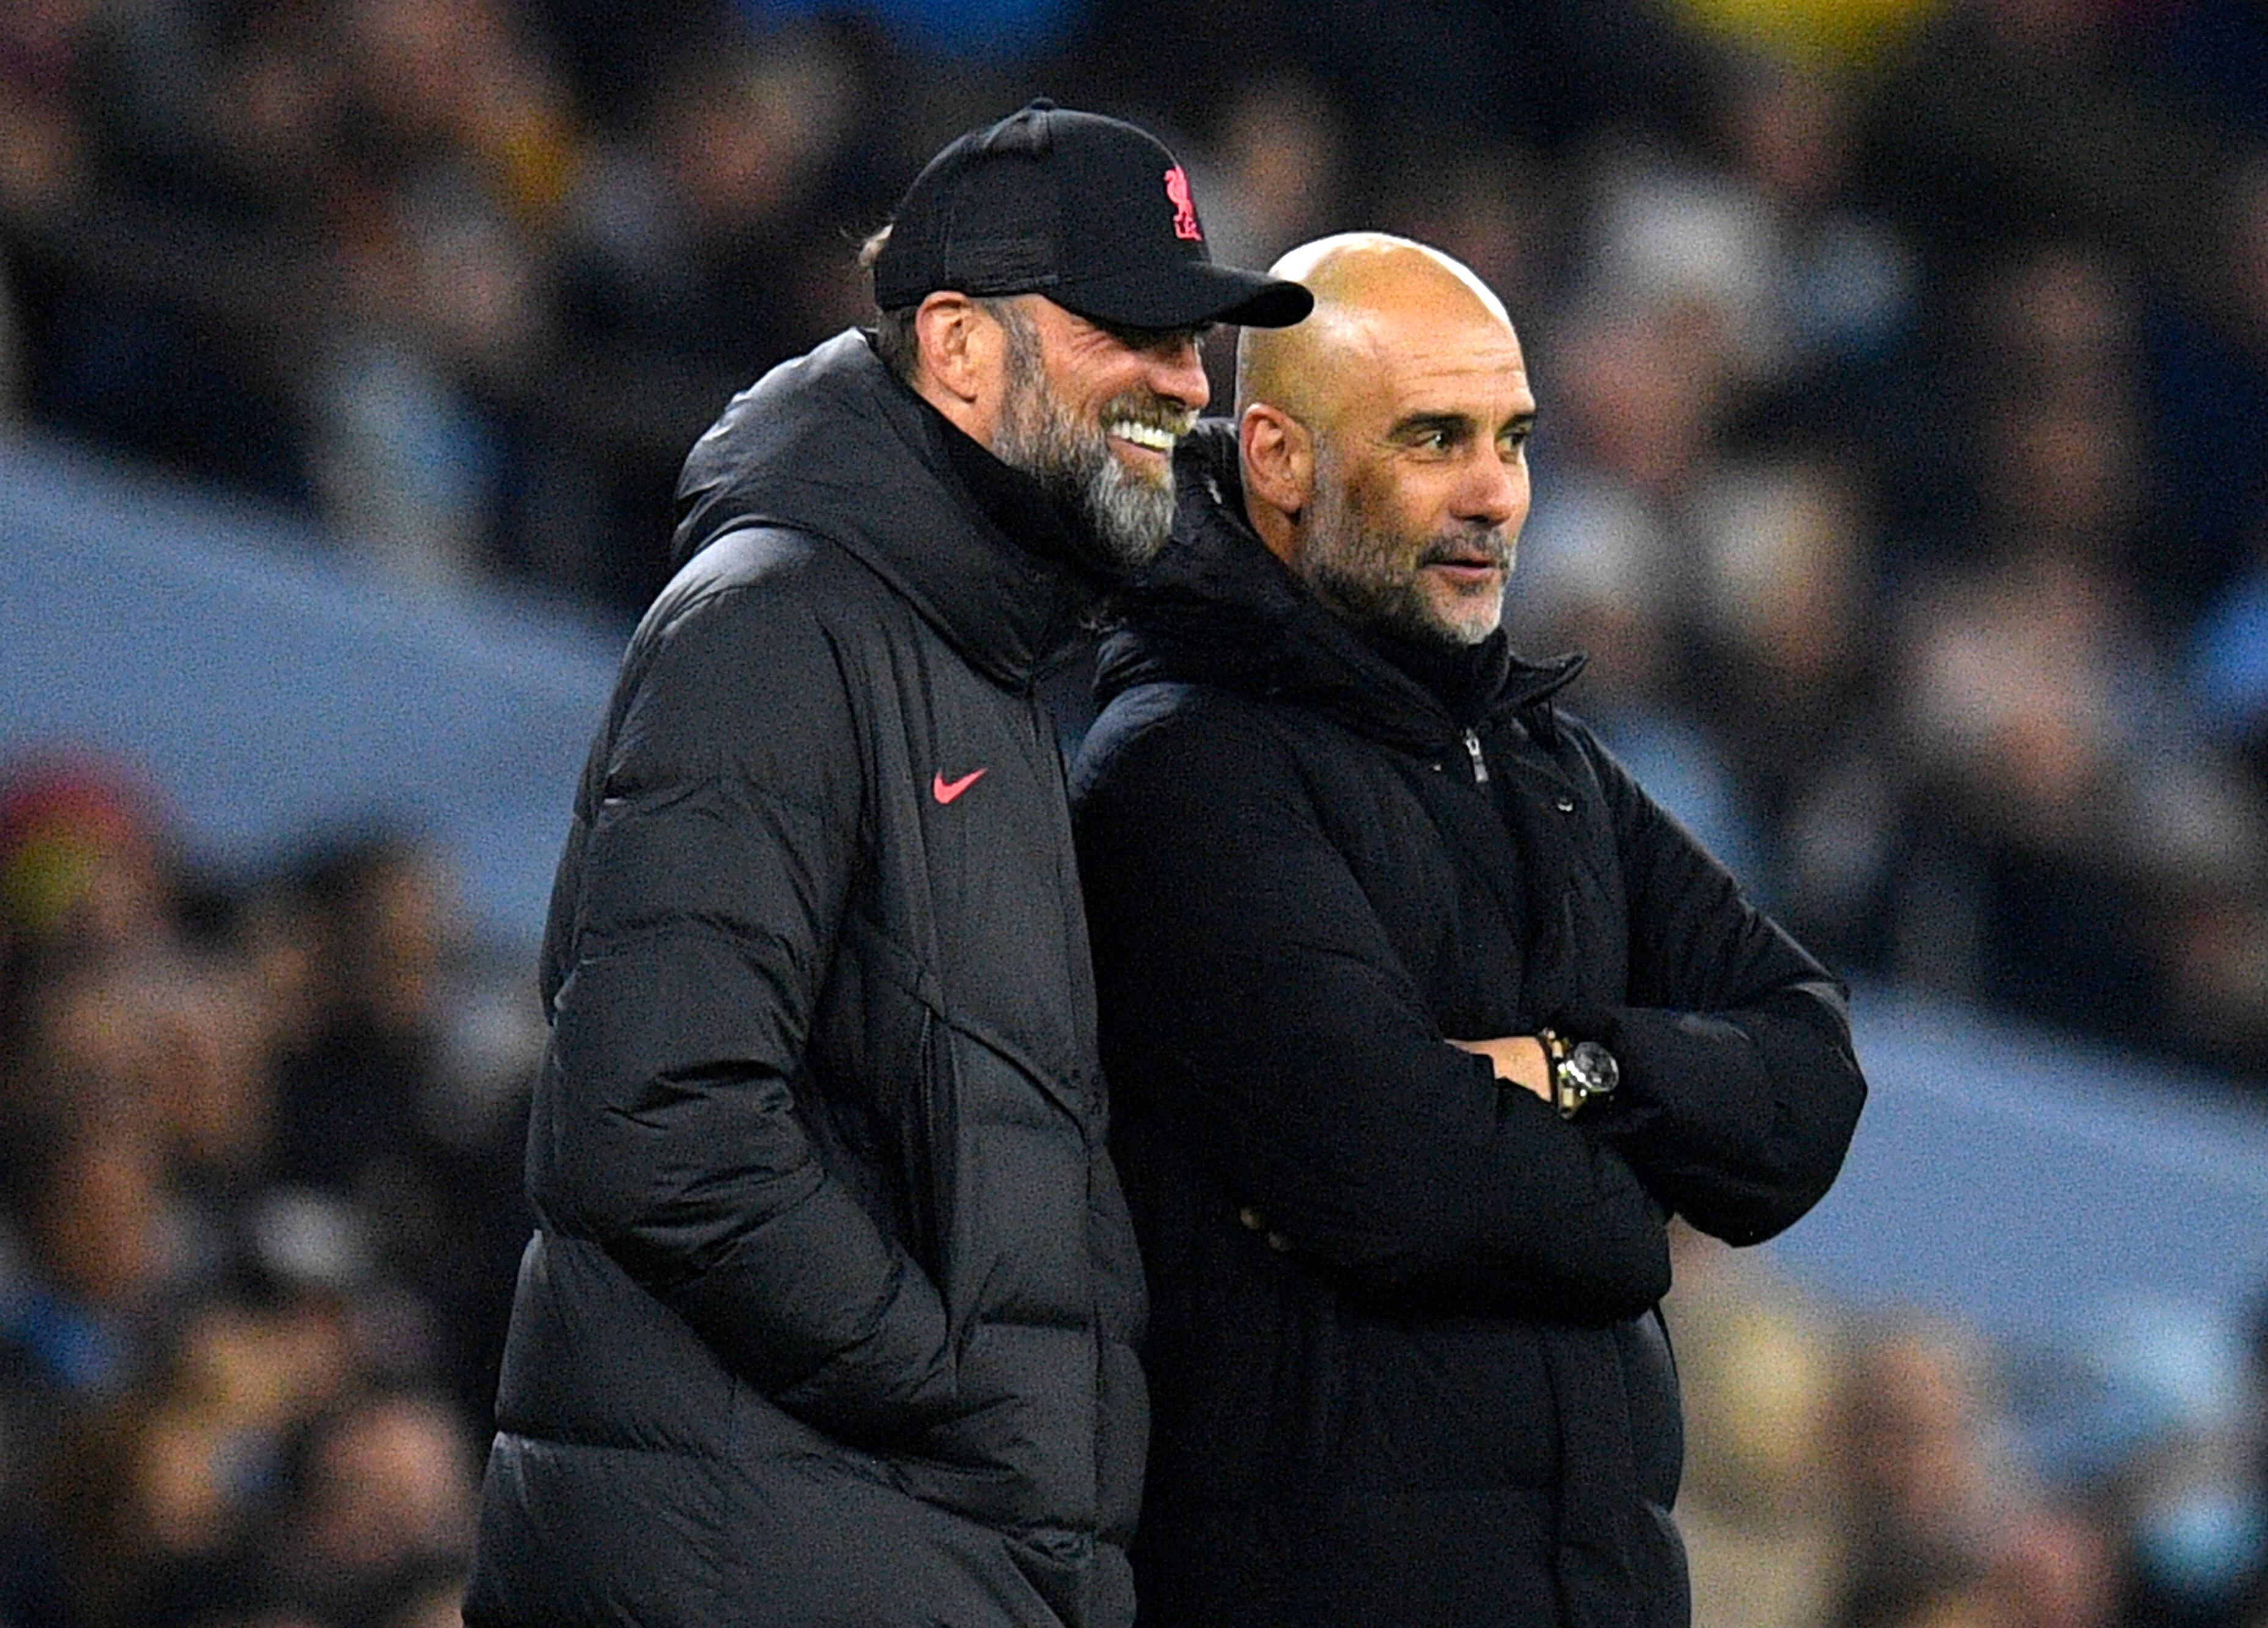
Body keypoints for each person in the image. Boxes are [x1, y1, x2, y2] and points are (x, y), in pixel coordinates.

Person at [464, 102, 1311, 1628]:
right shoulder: (779, 620)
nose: (1187, 390)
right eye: (1135, 334)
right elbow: (656, 1121)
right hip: (772, 1555)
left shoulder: (979, 656)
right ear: (960, 345)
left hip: (890, 1551)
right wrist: (961, 1393)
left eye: (1197, 346)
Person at [1070, 233, 1867, 1627]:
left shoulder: (1545, 763)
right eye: (1433, 438)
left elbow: (1808, 1076)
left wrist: (1573, 1067)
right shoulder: (1185, 765)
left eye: (1511, 439)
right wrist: (1638, 1211)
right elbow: (1390, 1169)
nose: (1493, 494)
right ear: (1275, 457)